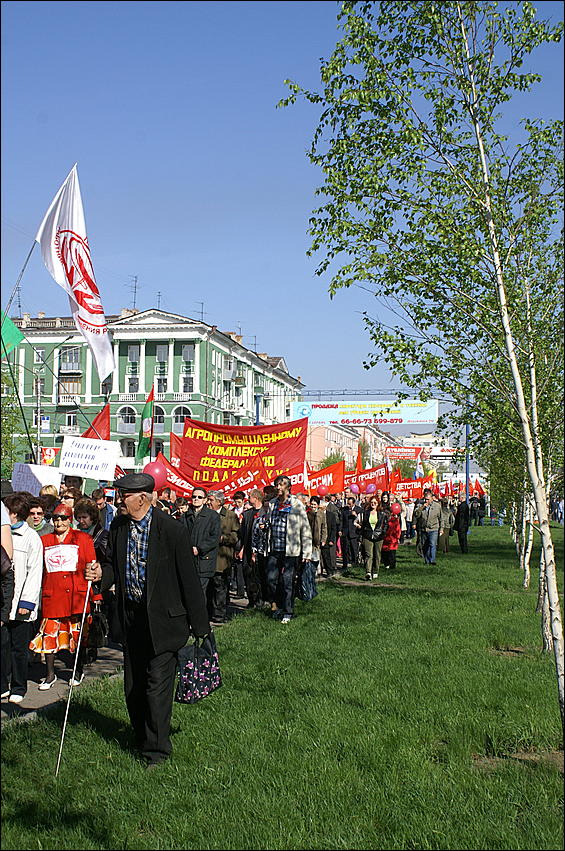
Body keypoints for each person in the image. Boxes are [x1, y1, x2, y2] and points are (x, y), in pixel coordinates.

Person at [96, 472, 210, 768]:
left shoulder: (172, 530)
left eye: (124, 496)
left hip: (164, 622)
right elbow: (112, 568)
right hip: (131, 619)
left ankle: (156, 751)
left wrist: (201, 627)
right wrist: (99, 576)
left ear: (143, 498)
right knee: (133, 689)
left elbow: (188, 579)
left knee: (156, 688)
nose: (119, 500)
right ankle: (140, 736)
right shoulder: (119, 526)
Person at [29, 503, 98, 690]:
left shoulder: (83, 539)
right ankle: (50, 674)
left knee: (78, 636)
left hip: (76, 596)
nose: (59, 522)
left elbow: (91, 566)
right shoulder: (45, 540)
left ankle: (77, 670)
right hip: (53, 595)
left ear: (70, 520)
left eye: (63, 518)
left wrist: (95, 595)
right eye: (56, 518)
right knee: (49, 635)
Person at [1, 493, 43, 703]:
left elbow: (34, 572)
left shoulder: (31, 538)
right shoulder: (4, 534)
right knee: (2, 645)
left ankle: (19, 686)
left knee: (18, 649)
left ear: (15, 514)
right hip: (4, 600)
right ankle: (2, 685)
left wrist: (26, 602)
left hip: (20, 602)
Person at [264, 475, 312, 624]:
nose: (279, 487)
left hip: (290, 550)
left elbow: (305, 528)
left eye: (282, 485)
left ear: (289, 487)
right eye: (277, 485)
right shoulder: (272, 504)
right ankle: (278, 605)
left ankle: (288, 611)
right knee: (271, 579)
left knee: (287, 581)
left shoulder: (296, 504)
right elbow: (269, 522)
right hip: (274, 549)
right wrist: (265, 526)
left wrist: (307, 552)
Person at [207, 491, 240, 624]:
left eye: (211, 500)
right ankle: (209, 612)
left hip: (222, 557)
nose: (208, 502)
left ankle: (219, 614)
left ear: (219, 502)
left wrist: (222, 538)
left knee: (220, 585)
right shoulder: (205, 514)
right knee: (209, 587)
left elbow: (235, 536)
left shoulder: (230, 516)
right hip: (207, 557)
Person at [182, 487, 221, 595]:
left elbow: (214, 537)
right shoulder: (186, 515)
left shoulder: (213, 516)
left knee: (200, 593)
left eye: (199, 497)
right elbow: (180, 535)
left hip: (204, 561)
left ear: (205, 500)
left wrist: (199, 548)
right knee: (188, 592)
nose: (196, 499)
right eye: (194, 496)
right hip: (188, 560)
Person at [238, 488, 266, 609]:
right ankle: (251, 599)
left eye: (250, 497)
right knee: (248, 575)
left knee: (260, 575)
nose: (248, 499)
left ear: (256, 498)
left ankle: (260, 599)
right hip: (248, 550)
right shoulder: (247, 514)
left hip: (261, 550)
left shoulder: (265, 513)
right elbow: (243, 534)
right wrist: (241, 549)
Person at [361, 495, 389, 580]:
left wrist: (383, 533)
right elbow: (363, 524)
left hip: (378, 536)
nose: (373, 504)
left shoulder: (382, 513)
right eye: (372, 502)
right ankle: (368, 572)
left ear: (378, 504)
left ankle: (375, 571)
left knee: (377, 554)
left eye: (375, 503)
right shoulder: (366, 513)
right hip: (368, 535)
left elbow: (386, 524)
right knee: (368, 554)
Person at [414, 491, 443, 565]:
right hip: (424, 528)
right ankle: (427, 560)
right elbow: (416, 514)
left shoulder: (437, 506)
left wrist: (441, 528)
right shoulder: (421, 505)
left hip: (433, 528)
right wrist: (422, 507)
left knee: (432, 544)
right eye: (425, 499)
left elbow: (441, 518)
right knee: (425, 545)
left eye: (428, 499)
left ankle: (432, 560)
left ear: (432, 499)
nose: (426, 501)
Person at [340, 497, 362, 574]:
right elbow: (341, 520)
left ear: (354, 503)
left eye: (350, 504)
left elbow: (361, 520)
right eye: (348, 503)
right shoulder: (344, 510)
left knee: (354, 549)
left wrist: (355, 515)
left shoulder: (359, 509)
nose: (348, 505)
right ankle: (345, 565)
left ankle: (355, 564)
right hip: (345, 532)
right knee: (345, 549)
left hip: (354, 532)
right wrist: (340, 530)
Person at [307, 496, 327, 577]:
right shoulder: (307, 512)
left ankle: (317, 570)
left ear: (318, 505)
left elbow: (324, 527)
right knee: (309, 555)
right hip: (308, 537)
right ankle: (310, 571)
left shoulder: (321, 513)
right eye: (311, 504)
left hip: (317, 538)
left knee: (317, 555)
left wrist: (323, 539)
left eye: (314, 504)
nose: (313, 506)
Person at [320, 496, 339, 577]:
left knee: (326, 556)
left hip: (327, 538)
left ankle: (329, 571)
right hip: (319, 537)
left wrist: (331, 539)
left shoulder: (331, 515)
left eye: (321, 507)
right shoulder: (317, 514)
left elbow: (334, 528)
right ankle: (320, 571)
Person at [381, 502, 402, 570]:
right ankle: (386, 564)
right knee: (384, 553)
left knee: (392, 553)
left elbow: (398, 529)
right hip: (385, 539)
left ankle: (392, 566)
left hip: (392, 540)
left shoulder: (394, 520)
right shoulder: (384, 520)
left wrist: (397, 537)